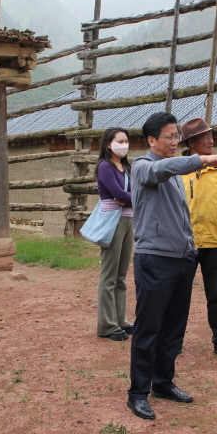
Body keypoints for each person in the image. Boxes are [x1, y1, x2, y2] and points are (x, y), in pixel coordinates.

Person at [126, 112, 217, 420]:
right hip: (154, 259)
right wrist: (202, 159)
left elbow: (181, 214)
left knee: (174, 328)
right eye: (170, 136)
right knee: (148, 328)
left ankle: (163, 383)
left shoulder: (174, 172)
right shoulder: (143, 167)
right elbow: (163, 169)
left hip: (181, 259)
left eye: (177, 136)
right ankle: (137, 393)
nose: (175, 142)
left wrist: (190, 248)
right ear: (151, 140)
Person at [180, 117, 217, 361]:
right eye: (205, 137)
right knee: (179, 295)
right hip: (184, 243)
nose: (211, 140)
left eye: (211, 136)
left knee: (215, 295)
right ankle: (174, 340)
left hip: (214, 240)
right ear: (191, 143)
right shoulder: (178, 168)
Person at [95, 127, 135, 341]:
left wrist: (130, 198)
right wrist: (132, 197)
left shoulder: (126, 167)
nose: (124, 145)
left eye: (126, 141)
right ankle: (107, 325)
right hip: (113, 220)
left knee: (121, 276)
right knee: (109, 275)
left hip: (128, 220)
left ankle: (121, 320)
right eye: (120, 141)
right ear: (109, 144)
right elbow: (118, 194)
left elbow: (132, 194)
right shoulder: (105, 166)